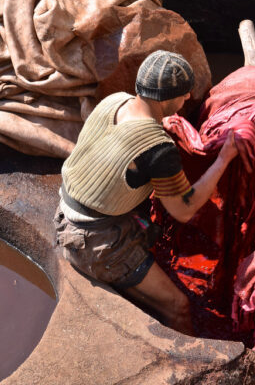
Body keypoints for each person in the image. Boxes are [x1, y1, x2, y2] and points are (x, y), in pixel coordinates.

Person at [54, 51, 239, 335]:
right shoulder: (158, 149)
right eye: (183, 95)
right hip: (96, 243)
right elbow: (184, 209)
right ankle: (187, 359)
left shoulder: (113, 102)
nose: (188, 99)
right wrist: (223, 160)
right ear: (165, 100)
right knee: (178, 305)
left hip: (66, 215)